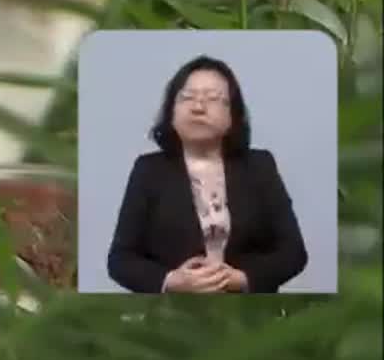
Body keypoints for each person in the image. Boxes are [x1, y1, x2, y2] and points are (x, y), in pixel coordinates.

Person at [105, 55, 308, 293]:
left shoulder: (259, 166)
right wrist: (171, 281)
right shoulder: (149, 170)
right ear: (171, 112)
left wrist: (242, 278)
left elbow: (293, 253)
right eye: (186, 98)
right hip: (173, 315)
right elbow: (120, 260)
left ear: (233, 115)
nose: (198, 107)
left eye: (213, 99)